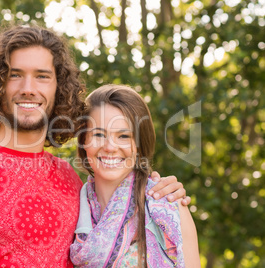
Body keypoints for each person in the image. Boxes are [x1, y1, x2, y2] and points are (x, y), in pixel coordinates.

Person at [0, 25, 191, 267]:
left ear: (59, 87)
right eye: (15, 74)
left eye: (42, 76)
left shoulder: (72, 182)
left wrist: (163, 190)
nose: (29, 87)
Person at [70, 84, 200, 267]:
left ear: (139, 145)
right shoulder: (70, 207)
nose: (109, 147)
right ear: (83, 141)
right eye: (98, 134)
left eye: (123, 136)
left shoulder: (168, 205)